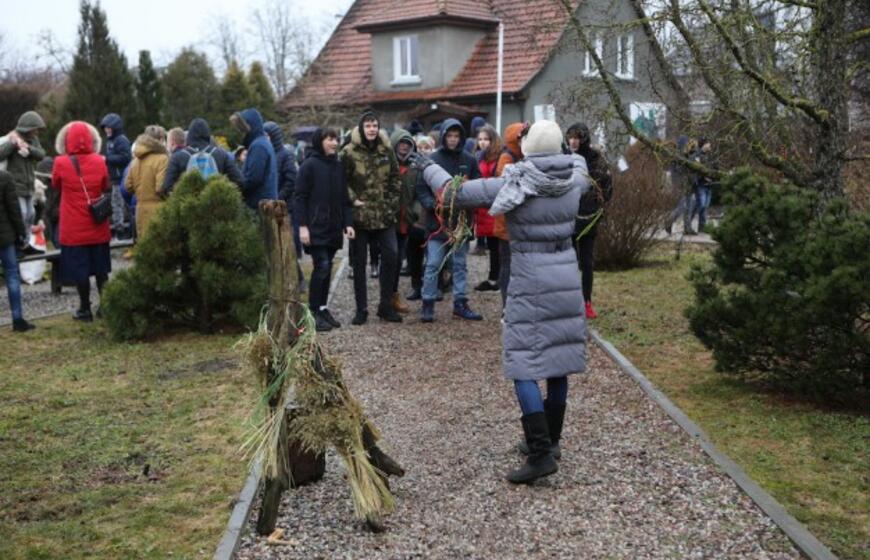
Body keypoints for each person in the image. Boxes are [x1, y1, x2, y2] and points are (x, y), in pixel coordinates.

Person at [412, 119, 589, 484]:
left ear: (528, 149)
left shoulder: (516, 181)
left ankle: (540, 454)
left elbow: (454, 192)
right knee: (558, 359)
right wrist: (564, 151)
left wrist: (427, 166)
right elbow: (581, 162)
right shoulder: (575, 178)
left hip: (530, 278)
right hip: (565, 276)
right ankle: (552, 441)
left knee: (522, 363)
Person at [416, 118, 482, 322]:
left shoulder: (469, 160)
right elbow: (421, 187)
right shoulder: (432, 159)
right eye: (450, 136)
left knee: (460, 265)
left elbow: (479, 185)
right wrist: (431, 204)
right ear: (443, 136)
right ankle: (427, 303)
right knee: (433, 264)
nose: (453, 139)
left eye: (456, 136)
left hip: (461, 223)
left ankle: (460, 303)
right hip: (437, 224)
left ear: (461, 137)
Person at [341, 109, 402, 325]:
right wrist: (352, 199)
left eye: (375, 125)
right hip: (360, 217)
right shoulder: (349, 151)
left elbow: (395, 177)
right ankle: (361, 309)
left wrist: (391, 203)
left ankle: (385, 305)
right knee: (359, 263)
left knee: (392, 255)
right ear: (361, 128)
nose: (372, 129)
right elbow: (341, 180)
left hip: (384, 215)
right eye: (367, 125)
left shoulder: (386, 150)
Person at [295, 128, 355, 332]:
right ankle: (312, 312)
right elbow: (300, 197)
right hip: (315, 226)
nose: (335, 143)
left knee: (327, 267)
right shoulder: (309, 165)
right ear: (320, 141)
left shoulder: (338, 166)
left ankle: (322, 308)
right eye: (330, 139)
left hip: (333, 227)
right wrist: (303, 226)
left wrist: (348, 223)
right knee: (321, 266)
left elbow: (344, 199)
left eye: (336, 139)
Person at [52, 121, 112, 322]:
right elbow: (105, 185)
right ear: (91, 139)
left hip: (73, 228)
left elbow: (56, 184)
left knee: (80, 270)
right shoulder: (100, 161)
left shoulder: (60, 162)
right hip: (97, 225)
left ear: (67, 140)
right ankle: (106, 307)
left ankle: (85, 309)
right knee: (101, 269)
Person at [566, 122, 612, 320]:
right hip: (568, 217)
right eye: (571, 137)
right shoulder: (564, 158)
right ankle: (570, 301)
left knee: (586, 262)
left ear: (584, 138)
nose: (573, 141)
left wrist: (596, 204)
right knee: (569, 262)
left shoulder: (596, 159)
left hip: (589, 218)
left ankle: (587, 302)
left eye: (577, 137)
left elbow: (607, 187)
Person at [264, 121, 306, 292]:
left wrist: (278, 199)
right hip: (269, 206)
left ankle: (299, 280)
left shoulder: (285, 155)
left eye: (267, 135)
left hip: (285, 207)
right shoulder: (267, 154)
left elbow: (291, 180)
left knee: (287, 245)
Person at [162, 118, 244, 195]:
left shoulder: (177, 157)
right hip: (216, 203)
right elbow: (239, 182)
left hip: (187, 204)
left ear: (189, 135)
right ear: (208, 134)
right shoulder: (221, 154)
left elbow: (167, 188)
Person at [493, 121, 526, 306]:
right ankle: (506, 304)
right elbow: (506, 183)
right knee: (507, 264)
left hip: (516, 222)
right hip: (506, 224)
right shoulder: (507, 158)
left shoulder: (522, 156)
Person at [0, 111, 46, 236]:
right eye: (35, 129)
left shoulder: (33, 140)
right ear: (28, 127)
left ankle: (25, 239)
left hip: (29, 185)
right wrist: (14, 144)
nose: (37, 132)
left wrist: (29, 149)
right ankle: (20, 239)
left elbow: (41, 154)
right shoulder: (11, 138)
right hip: (16, 185)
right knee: (22, 213)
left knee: (31, 214)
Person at [389, 128, 420, 312]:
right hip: (388, 221)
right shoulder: (387, 164)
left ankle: (393, 296)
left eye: (408, 143)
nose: (404, 146)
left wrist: (415, 213)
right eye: (401, 142)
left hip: (405, 222)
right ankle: (387, 297)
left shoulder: (415, 167)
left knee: (399, 260)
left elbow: (419, 193)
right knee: (390, 259)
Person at [0, 169, 34, 331]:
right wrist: (21, 232)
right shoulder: (5, 177)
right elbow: (14, 209)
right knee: (12, 275)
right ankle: (17, 319)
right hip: (5, 235)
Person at [125, 125, 168, 241]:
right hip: (158, 209)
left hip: (140, 210)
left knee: (144, 245)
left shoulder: (135, 160)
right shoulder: (162, 159)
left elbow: (128, 186)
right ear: (160, 140)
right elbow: (160, 187)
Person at [229, 108, 277, 210]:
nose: (241, 132)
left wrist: (235, 188)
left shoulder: (258, 146)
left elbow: (253, 179)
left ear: (251, 127)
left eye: (242, 129)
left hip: (259, 206)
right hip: (265, 203)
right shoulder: (262, 143)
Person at [473, 124, 502, 292]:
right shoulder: (478, 157)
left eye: (486, 139)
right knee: (492, 246)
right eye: (480, 139)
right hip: (483, 208)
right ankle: (493, 278)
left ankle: (497, 278)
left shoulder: (500, 157)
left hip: (496, 206)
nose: (483, 142)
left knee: (498, 246)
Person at [99, 113, 132, 239]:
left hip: (121, 178)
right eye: (105, 128)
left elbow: (126, 157)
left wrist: (107, 159)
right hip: (115, 178)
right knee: (117, 204)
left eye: (109, 127)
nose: (106, 130)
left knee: (119, 204)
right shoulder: (110, 141)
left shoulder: (121, 140)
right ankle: (120, 228)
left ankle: (122, 230)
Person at [665, 135, 696, 235]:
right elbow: (677, 172)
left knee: (689, 205)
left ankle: (687, 227)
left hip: (688, 183)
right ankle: (669, 221)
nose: (688, 145)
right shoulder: (677, 157)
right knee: (682, 205)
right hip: (682, 184)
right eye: (686, 143)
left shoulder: (688, 154)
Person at [691, 138, 716, 232]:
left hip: (709, 184)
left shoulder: (711, 156)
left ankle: (701, 226)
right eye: (708, 144)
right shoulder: (697, 155)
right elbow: (697, 169)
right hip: (701, 184)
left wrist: (713, 177)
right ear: (704, 145)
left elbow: (715, 168)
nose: (710, 146)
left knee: (705, 206)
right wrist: (704, 177)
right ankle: (693, 222)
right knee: (701, 205)